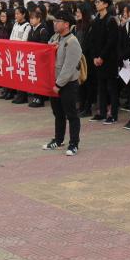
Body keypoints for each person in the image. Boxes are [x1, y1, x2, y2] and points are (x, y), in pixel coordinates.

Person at [43, 11, 83, 156]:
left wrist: (58, 85)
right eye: (54, 21)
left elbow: (69, 67)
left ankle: (74, 144)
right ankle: (58, 140)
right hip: (55, 83)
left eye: (58, 21)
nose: (55, 23)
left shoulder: (72, 41)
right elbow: (45, 52)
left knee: (71, 115)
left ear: (66, 24)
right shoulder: (55, 37)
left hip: (67, 85)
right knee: (58, 113)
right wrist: (50, 46)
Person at [86, 0, 122, 122]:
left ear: (106, 4)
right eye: (96, 2)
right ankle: (102, 112)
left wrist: (101, 56)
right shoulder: (96, 20)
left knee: (111, 88)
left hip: (109, 60)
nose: (96, 4)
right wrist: (95, 57)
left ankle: (113, 115)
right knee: (100, 87)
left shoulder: (111, 20)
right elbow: (92, 41)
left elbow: (111, 42)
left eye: (99, 2)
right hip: (98, 60)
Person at [26, 9, 52, 107]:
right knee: (35, 78)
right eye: (30, 18)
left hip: (41, 59)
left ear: (39, 19)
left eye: (33, 18)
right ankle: (36, 96)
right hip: (32, 58)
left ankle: (40, 98)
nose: (31, 20)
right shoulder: (31, 30)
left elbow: (43, 46)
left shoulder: (42, 30)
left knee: (40, 79)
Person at [9, 7, 33, 104]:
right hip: (13, 52)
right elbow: (11, 37)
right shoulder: (15, 24)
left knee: (22, 75)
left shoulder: (27, 26)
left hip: (21, 53)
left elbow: (24, 40)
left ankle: (23, 96)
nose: (16, 15)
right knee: (15, 74)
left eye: (18, 13)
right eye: (15, 14)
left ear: (23, 14)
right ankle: (17, 93)